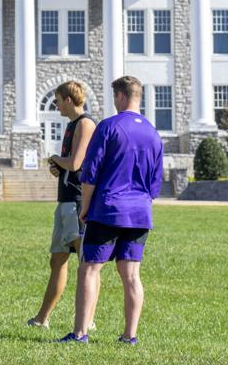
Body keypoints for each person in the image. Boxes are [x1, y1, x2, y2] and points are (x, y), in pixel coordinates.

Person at [58, 75, 163, 346]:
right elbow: (155, 183)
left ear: (120, 96)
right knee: (131, 274)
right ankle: (130, 335)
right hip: (140, 212)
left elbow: (90, 173)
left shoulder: (108, 127)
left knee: (89, 269)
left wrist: (86, 207)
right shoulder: (153, 132)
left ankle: (80, 333)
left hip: (108, 208)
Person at [28, 80, 96, 329]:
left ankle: (88, 321)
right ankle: (41, 319)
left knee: (86, 263)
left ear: (69, 100)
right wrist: (59, 168)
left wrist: (57, 159)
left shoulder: (86, 123)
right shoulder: (71, 125)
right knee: (57, 261)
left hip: (77, 202)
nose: (55, 104)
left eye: (58, 100)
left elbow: (76, 163)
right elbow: (71, 166)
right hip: (64, 200)